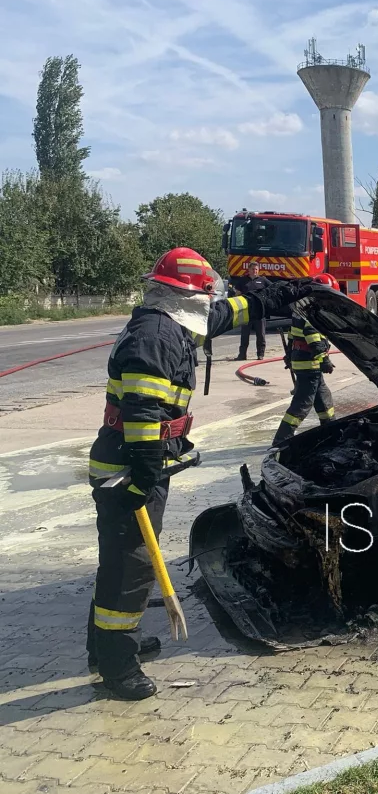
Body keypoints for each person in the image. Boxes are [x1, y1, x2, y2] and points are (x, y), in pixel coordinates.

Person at [87, 248, 310, 700]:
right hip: (127, 468)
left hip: (134, 462)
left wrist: (279, 295)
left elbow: (225, 314)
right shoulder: (154, 336)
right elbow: (142, 407)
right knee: (130, 567)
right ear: (189, 296)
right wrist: (145, 473)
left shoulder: (170, 321)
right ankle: (116, 663)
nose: (211, 305)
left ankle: (105, 646)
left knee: (121, 560)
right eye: (206, 296)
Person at [272, 273, 340, 446]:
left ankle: (329, 429)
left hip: (303, 360)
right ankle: (282, 439)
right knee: (302, 403)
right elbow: (313, 335)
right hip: (310, 362)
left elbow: (292, 335)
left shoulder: (300, 307)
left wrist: (288, 355)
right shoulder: (313, 309)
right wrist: (323, 358)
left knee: (323, 398)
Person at [234, 261, 268, 361]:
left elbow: (271, 291)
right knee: (244, 334)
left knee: (261, 334)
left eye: (256, 269)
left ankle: (260, 354)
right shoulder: (243, 281)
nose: (254, 271)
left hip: (259, 312)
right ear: (249, 270)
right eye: (253, 269)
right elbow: (237, 294)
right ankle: (242, 355)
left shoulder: (263, 281)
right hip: (246, 311)